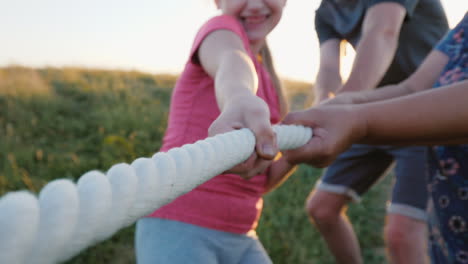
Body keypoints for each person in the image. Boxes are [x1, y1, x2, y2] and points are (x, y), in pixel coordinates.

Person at [283, 13, 467, 264]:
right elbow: (411, 88)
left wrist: (357, 119)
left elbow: (382, 32)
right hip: (451, 230)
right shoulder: (463, 29)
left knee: (401, 234)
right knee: (322, 207)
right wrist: (335, 106)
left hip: (413, 124)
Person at [135, 1, 295, 263]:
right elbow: (230, 59)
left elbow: (257, 179)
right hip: (179, 223)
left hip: (242, 234)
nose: (255, 4)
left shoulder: (268, 79)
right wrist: (239, 95)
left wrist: (295, 156)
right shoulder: (219, 31)